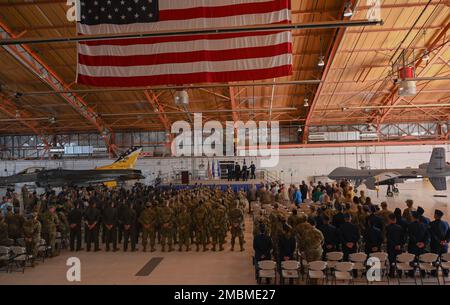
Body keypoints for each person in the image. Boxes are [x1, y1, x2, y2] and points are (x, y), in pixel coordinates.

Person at [429, 209, 450, 276]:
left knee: (435, 259)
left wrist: (439, 241)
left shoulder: (432, 224)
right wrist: (445, 241)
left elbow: (432, 235)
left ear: (436, 215)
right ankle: (446, 272)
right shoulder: (446, 223)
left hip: (435, 245)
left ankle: (434, 273)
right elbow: (449, 234)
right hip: (444, 245)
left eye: (434, 214)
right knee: (444, 259)